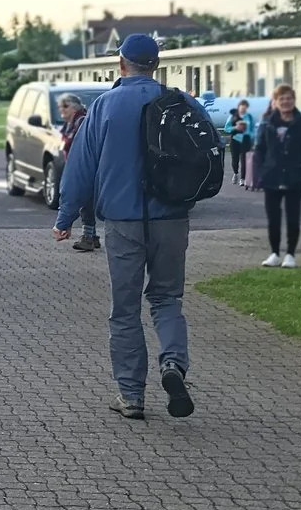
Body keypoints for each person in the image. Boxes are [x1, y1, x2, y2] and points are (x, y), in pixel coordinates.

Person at [51, 34, 208, 421]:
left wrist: (65, 216)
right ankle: (173, 365)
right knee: (167, 298)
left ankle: (131, 395)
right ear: (156, 65)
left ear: (121, 64)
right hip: (171, 218)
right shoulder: (183, 102)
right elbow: (206, 153)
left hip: (122, 221)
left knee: (125, 309)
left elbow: (81, 166)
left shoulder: (104, 106)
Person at [254, 85, 301, 269]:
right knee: (273, 217)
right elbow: (260, 149)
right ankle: (274, 253)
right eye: (281, 98)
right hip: (272, 178)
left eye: (289, 98)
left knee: (293, 217)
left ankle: (290, 254)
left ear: (294, 100)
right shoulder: (268, 123)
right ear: (276, 101)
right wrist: (261, 171)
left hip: (294, 178)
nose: (285, 102)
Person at [57, 93, 99, 251]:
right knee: (85, 202)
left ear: (74, 108)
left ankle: (88, 237)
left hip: (84, 167)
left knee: (86, 202)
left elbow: (79, 145)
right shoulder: (70, 123)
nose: (62, 110)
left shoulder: (81, 122)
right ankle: (91, 235)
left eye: (65, 107)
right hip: (74, 165)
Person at [224, 100, 256, 187]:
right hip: (235, 139)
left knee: (245, 160)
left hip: (245, 140)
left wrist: (251, 136)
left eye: (245, 107)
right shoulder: (233, 116)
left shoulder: (249, 117)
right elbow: (226, 128)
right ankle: (235, 173)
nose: (243, 109)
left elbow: (253, 129)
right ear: (239, 107)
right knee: (235, 160)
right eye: (242, 107)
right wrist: (235, 128)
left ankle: (243, 179)